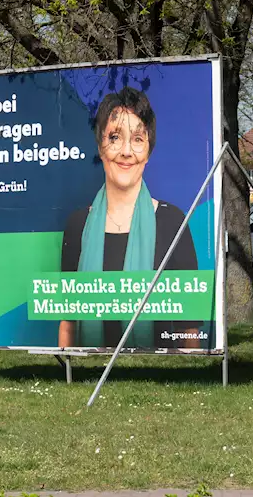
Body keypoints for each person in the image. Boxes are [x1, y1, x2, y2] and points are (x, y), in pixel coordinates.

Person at [59, 87, 201, 349]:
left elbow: (188, 326)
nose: (126, 151)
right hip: (90, 375)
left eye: (137, 139)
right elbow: (68, 321)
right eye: (114, 137)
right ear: (101, 146)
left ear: (148, 150)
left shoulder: (171, 222)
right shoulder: (78, 226)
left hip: (159, 379)